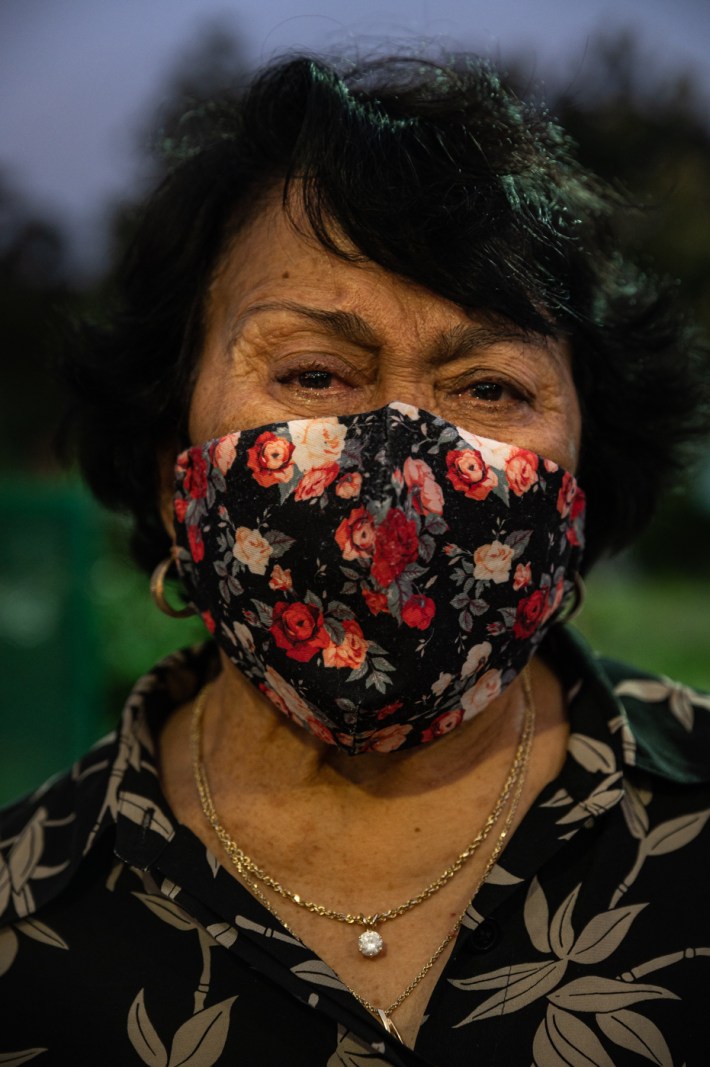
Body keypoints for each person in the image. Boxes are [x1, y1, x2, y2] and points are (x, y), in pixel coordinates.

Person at [1, 53, 709, 1066]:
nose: (401, 459)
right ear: (172, 468)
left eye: (489, 388)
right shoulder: (22, 911)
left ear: (580, 483)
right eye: (314, 372)